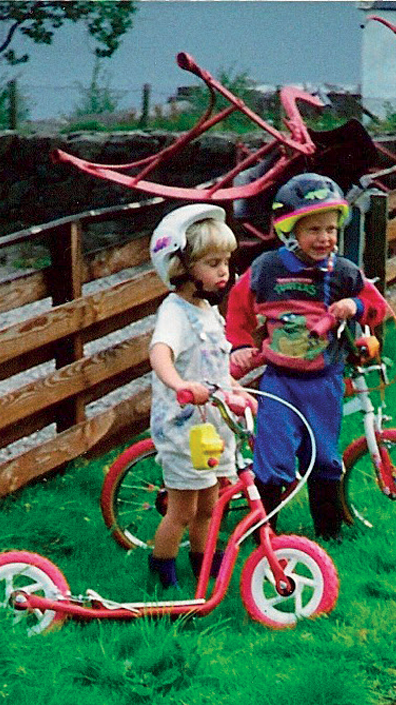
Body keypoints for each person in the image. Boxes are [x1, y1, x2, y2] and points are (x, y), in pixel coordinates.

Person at [225, 173, 389, 542]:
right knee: (273, 458)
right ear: (290, 230)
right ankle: (263, 537)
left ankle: (328, 533)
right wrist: (238, 346)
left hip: (324, 381)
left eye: (331, 229)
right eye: (313, 229)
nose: (325, 238)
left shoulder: (344, 271)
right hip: (279, 382)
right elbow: (237, 307)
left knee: (324, 456)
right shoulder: (267, 269)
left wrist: (356, 304)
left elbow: (378, 309)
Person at [145, 202, 245, 591]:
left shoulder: (206, 309)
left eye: (226, 261)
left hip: (214, 427)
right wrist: (179, 385)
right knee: (182, 509)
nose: (224, 270)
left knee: (210, 505)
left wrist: (236, 391)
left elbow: (216, 368)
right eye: (213, 262)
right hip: (185, 430)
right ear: (181, 268)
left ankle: (204, 566)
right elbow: (160, 353)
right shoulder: (175, 312)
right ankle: (162, 575)